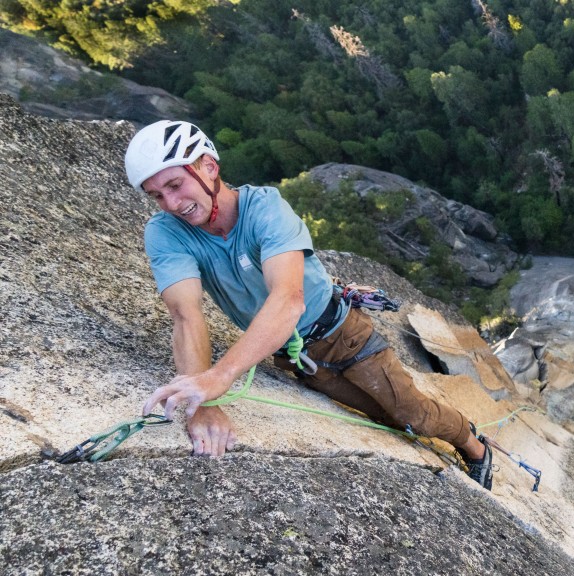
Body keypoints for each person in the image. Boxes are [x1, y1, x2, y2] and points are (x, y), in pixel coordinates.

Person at [124, 120, 493, 489]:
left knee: (414, 414)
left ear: (208, 166)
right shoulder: (165, 232)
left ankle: (474, 447)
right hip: (298, 357)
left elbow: (288, 300)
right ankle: (447, 432)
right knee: (387, 418)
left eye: (175, 184)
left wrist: (219, 377)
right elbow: (186, 316)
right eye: (156, 195)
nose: (172, 204)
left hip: (344, 335)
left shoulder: (264, 209)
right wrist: (201, 403)